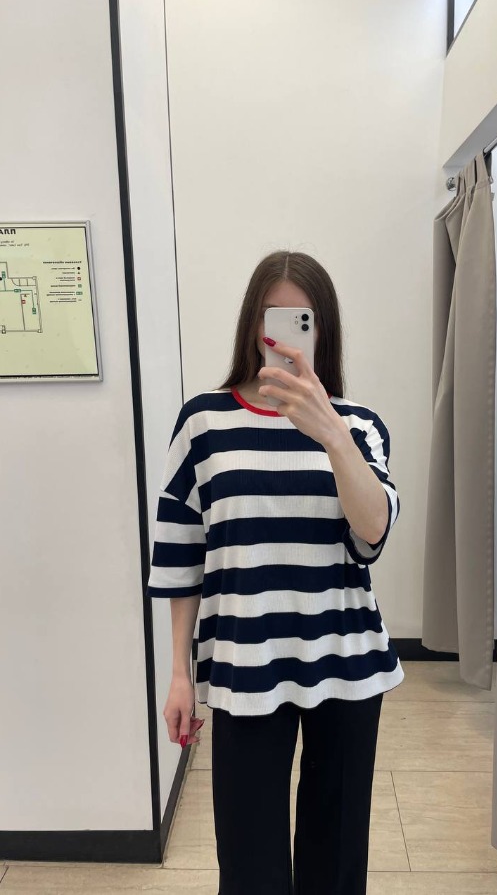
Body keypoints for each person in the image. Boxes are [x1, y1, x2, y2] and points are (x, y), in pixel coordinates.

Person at [145, 250, 404, 895]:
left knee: (336, 853)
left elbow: (372, 533)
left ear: (323, 330)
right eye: (273, 318)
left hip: (346, 661)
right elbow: (182, 554)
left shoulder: (359, 425)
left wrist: (332, 435)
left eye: (301, 320)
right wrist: (178, 674)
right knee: (248, 856)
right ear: (251, 324)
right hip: (243, 662)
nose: (284, 336)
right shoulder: (204, 423)